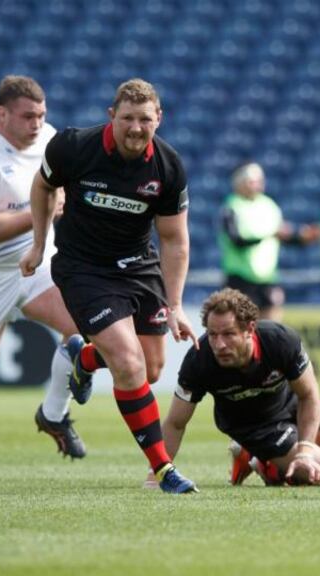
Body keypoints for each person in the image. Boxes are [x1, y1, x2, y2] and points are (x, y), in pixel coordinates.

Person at [20, 78, 199, 494]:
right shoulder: (72, 147)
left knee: (151, 369)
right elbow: (43, 186)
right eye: (127, 119)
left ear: (159, 120)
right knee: (130, 364)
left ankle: (83, 360)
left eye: (145, 120)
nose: (136, 128)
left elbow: (174, 239)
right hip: (84, 269)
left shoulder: (168, 167)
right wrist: (38, 244)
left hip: (139, 268)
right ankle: (164, 469)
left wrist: (175, 305)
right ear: (111, 117)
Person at [0, 75, 93, 479]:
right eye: (28, 116)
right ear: (1, 114)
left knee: (83, 325)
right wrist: (39, 210)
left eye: (41, 115)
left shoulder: (51, 141)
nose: (37, 124)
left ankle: (53, 413)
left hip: (38, 263)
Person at [160, 288, 320, 488]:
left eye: (228, 334)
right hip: (255, 427)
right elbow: (175, 422)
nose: (219, 345)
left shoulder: (280, 340)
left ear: (250, 330)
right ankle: (266, 461)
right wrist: (157, 472)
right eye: (213, 334)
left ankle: (263, 461)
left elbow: (309, 395)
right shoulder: (198, 360)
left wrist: (305, 453)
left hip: (290, 403)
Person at [219, 161, 320, 321]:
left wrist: (301, 238)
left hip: (267, 277)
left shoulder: (269, 205)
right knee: (241, 327)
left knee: (271, 325)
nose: (258, 185)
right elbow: (237, 241)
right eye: (252, 181)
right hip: (240, 277)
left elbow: (281, 236)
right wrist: (268, 235)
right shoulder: (231, 207)